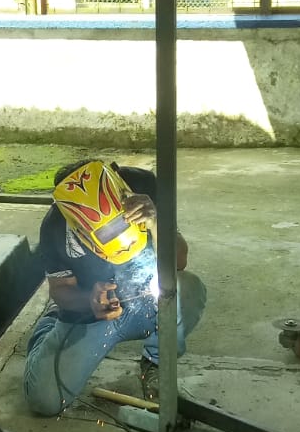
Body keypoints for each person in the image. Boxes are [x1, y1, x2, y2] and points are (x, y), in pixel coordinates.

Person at [23, 158, 206, 417]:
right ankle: (47, 329)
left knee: (187, 288)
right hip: (94, 316)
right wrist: (88, 300)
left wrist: (156, 223)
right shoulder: (56, 224)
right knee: (45, 402)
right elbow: (61, 288)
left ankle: (155, 363)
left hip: (147, 301)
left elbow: (179, 261)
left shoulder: (143, 186)